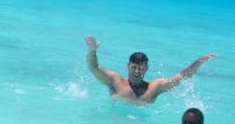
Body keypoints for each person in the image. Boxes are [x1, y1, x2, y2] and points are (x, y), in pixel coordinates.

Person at [84, 36, 215, 103]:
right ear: (128, 66)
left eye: (140, 68)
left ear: (146, 69)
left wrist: (198, 63)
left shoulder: (154, 87)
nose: (137, 72)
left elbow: (180, 77)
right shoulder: (116, 81)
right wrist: (92, 50)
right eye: (134, 67)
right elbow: (94, 67)